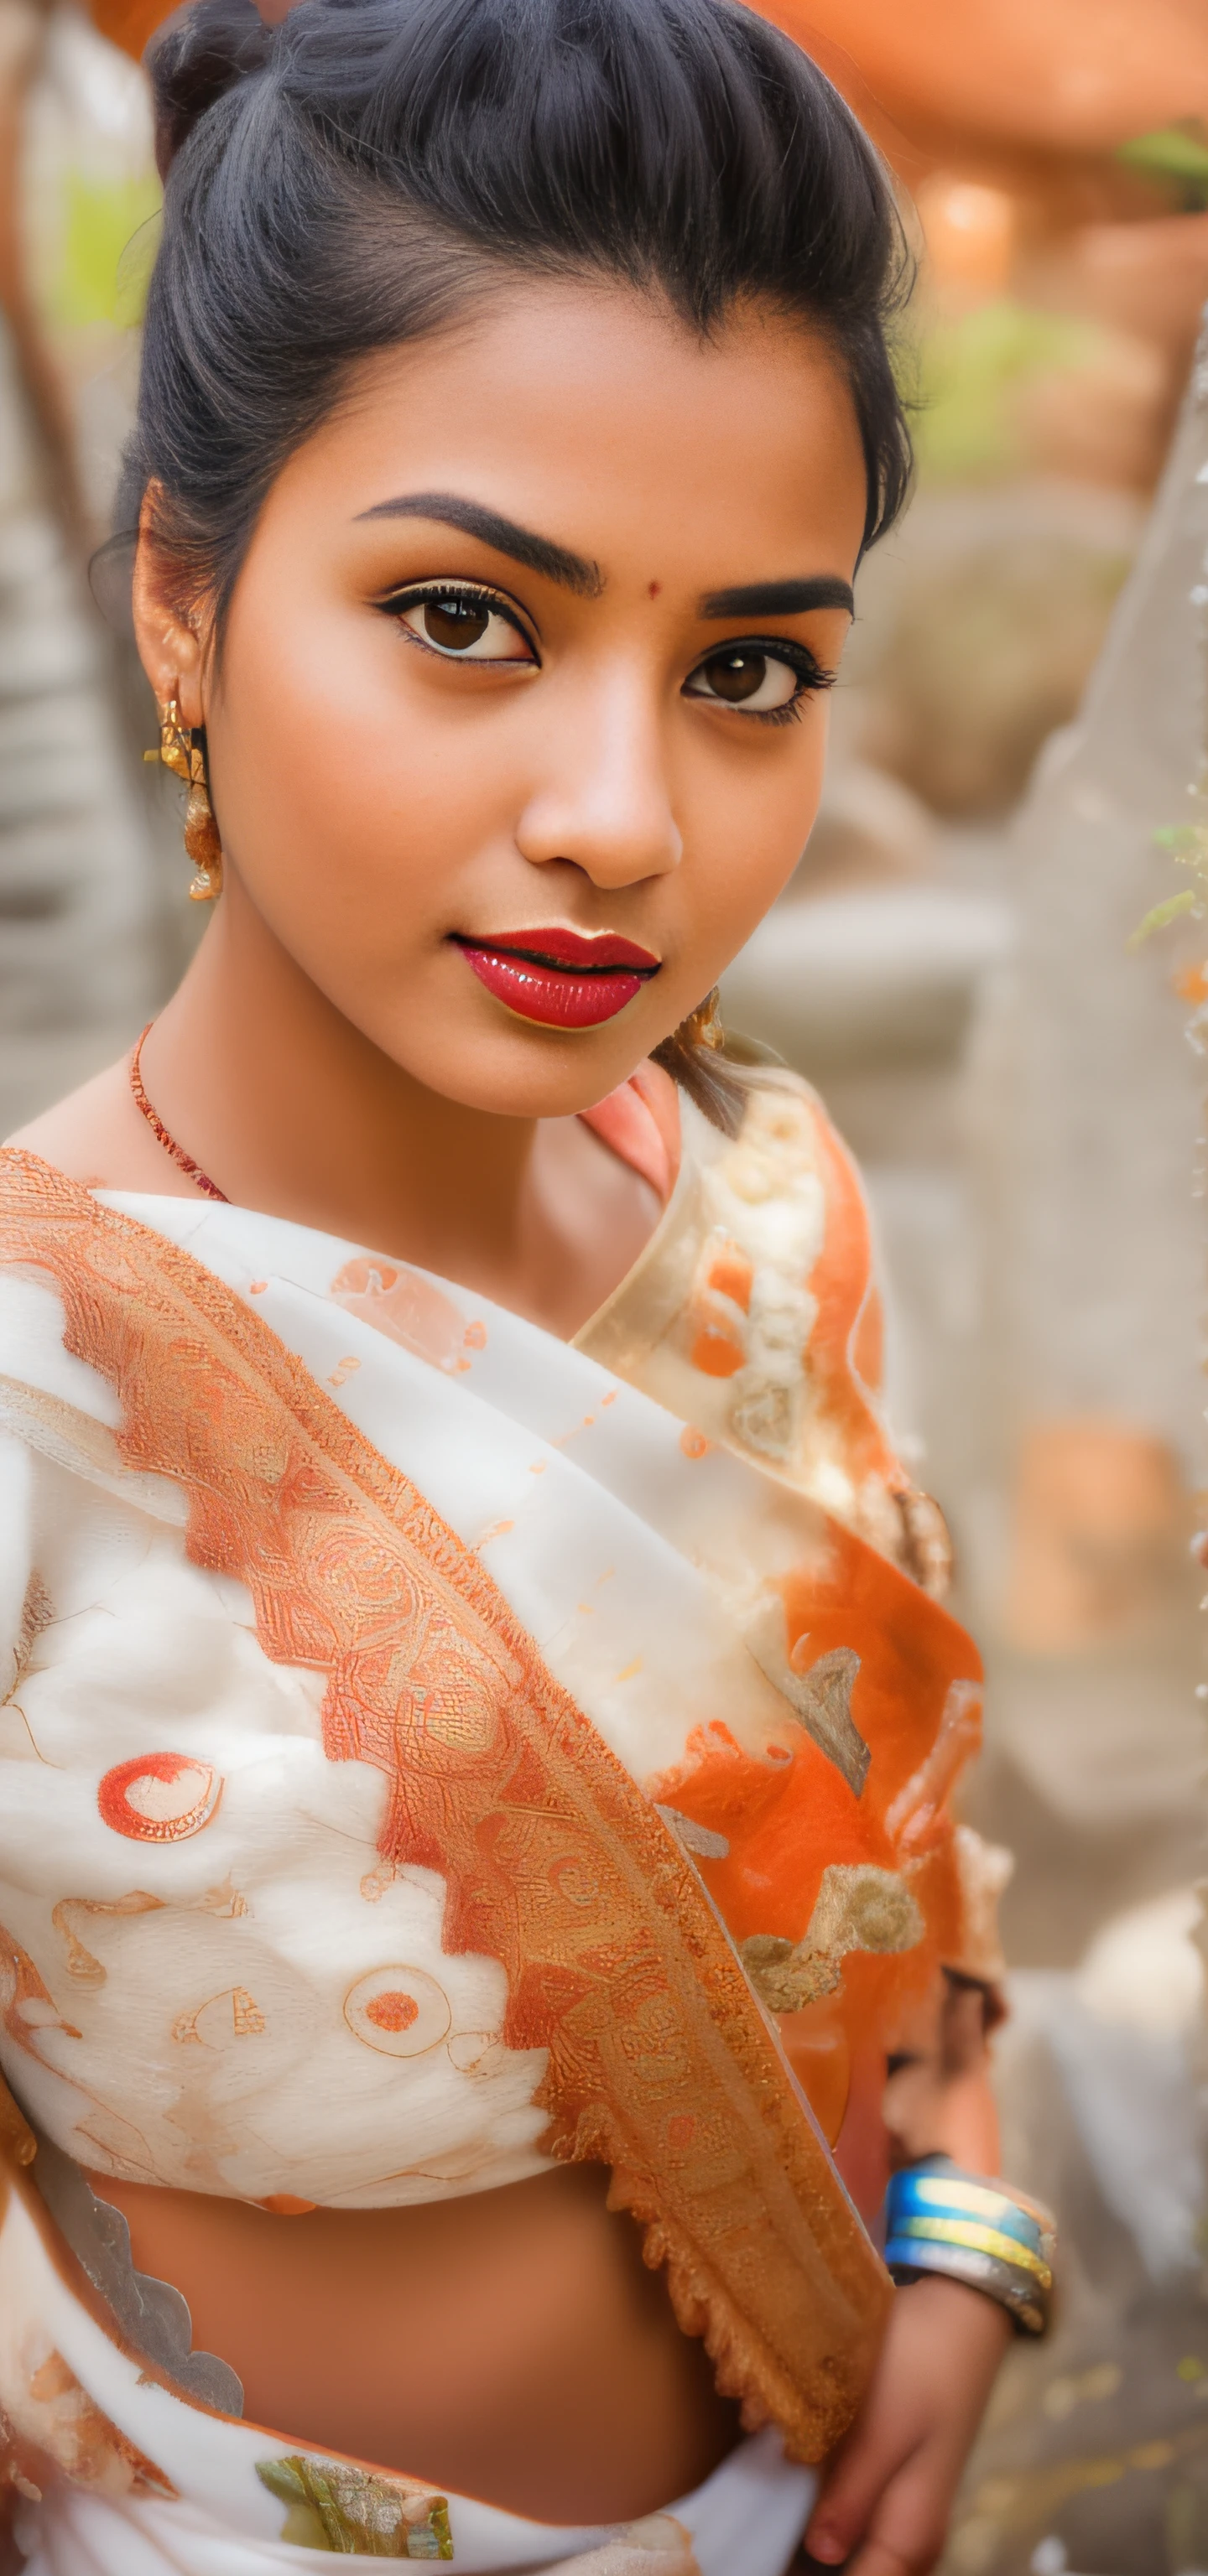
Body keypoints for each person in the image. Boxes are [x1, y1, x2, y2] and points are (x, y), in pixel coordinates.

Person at [0, 1, 1053, 2568]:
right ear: (182, 603)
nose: (623, 818)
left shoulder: (773, 1209)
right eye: (469, 618)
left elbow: (901, 1868)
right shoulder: (29, 1393)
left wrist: (968, 2248)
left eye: (749, 674)